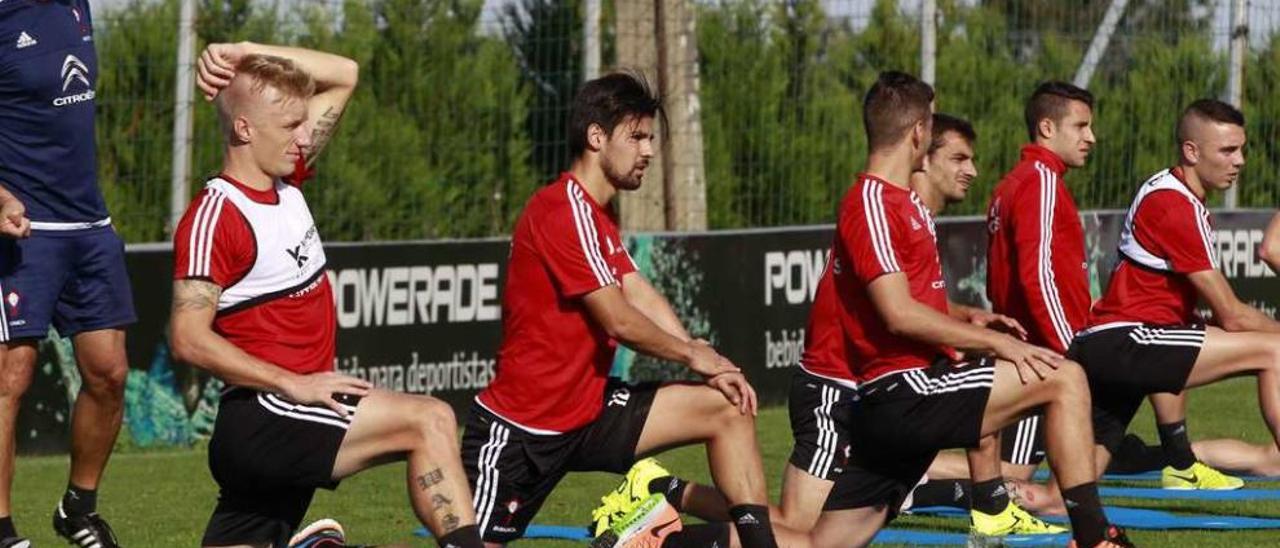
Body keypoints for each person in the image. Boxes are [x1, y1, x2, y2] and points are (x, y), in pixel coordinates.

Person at [461, 71, 809, 548]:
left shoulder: (598, 215)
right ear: (596, 137)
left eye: (650, 137)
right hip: (523, 430)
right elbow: (619, 319)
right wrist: (691, 357)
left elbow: (635, 287)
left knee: (725, 406)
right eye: (637, 137)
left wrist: (699, 351)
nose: (648, 150)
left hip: (590, 412)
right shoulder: (562, 209)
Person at [170, 42, 484, 548]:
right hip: (266, 417)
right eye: (290, 125)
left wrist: (244, 51)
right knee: (431, 419)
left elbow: (345, 73)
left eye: (303, 123)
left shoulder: (286, 180)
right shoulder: (216, 214)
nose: (303, 136)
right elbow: (187, 337)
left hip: (280, 420)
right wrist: (291, 383)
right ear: (245, 129)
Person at [807, 70, 1128, 548]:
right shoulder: (872, 200)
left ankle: (673, 537)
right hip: (901, 394)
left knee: (815, 545)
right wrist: (997, 342)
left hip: (906, 396)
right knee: (1065, 377)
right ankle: (1092, 535)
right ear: (920, 131)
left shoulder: (903, 205)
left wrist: (969, 320)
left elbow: (911, 303)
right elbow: (898, 313)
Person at [1071, 98, 1280, 493]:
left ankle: (939, 487)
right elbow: (1233, 315)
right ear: (1191, 151)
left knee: (1067, 481)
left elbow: (1186, 322)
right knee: (1273, 351)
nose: (1240, 161)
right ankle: (1179, 461)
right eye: (1228, 150)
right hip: (1127, 342)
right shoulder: (1175, 205)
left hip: (1120, 341)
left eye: (1242, 149)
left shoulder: (1170, 190)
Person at [0, 2, 134, 546]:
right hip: (21, 224)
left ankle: (77, 509)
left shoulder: (75, 4)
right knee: (11, 378)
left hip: (90, 223)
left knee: (109, 372)